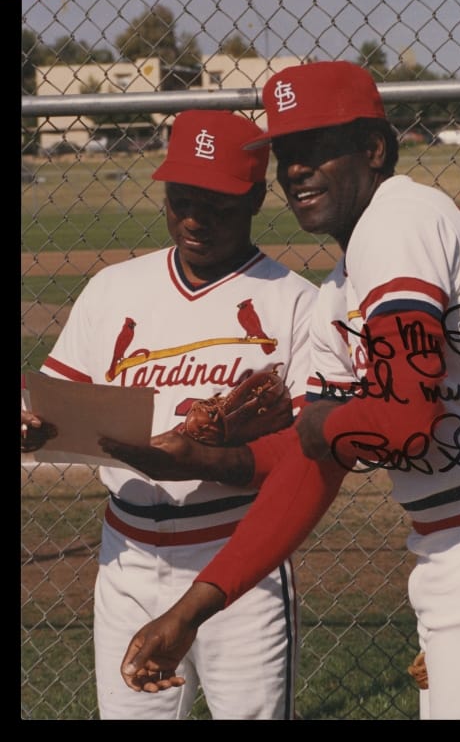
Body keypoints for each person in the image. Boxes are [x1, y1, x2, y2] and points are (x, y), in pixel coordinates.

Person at [99, 61, 460, 720]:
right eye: (285, 155)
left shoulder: (398, 219)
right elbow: (309, 465)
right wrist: (197, 583)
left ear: (373, 149)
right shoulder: (338, 290)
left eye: (316, 149)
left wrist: (322, 425)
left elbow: (403, 421)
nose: (296, 170)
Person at [20, 109, 318, 720]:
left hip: (238, 559)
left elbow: (310, 456)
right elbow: (54, 402)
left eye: (216, 203)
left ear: (259, 197)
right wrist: (29, 426)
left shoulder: (297, 304)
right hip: (126, 558)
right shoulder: (113, 289)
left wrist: (204, 459)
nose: (193, 218)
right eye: (181, 197)